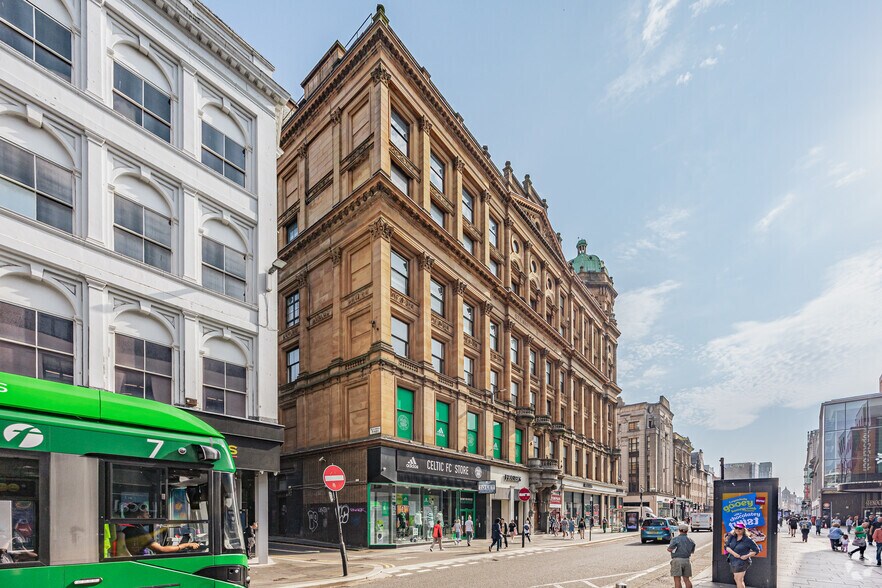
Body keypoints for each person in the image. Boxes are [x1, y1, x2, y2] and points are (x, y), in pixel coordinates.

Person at [122, 509, 200, 555]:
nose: (149, 516)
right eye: (146, 514)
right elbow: (161, 550)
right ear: (138, 517)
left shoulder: (127, 530)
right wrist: (186, 545)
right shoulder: (139, 531)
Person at [725, 523, 759, 588]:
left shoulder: (748, 540)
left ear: (744, 530)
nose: (738, 530)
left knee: (739, 579)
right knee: (736, 579)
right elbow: (726, 547)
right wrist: (734, 553)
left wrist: (747, 556)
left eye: (740, 528)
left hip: (742, 562)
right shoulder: (732, 537)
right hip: (733, 561)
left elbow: (756, 550)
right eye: (736, 528)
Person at [667, 524, 696, 588]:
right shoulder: (691, 541)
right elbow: (692, 551)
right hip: (687, 560)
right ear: (687, 531)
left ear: (679, 530)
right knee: (686, 579)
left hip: (677, 560)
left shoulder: (675, 539)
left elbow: (669, 549)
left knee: (677, 580)